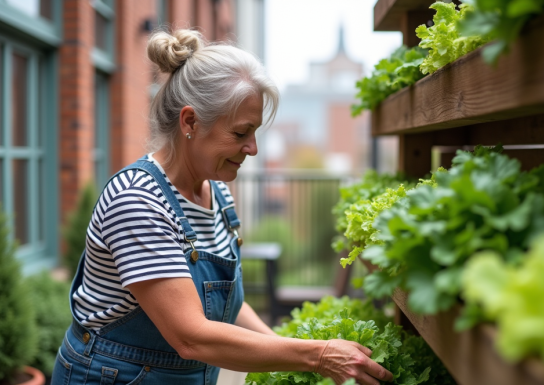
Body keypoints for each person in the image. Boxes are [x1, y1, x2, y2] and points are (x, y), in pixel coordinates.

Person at [51, 29, 394, 385]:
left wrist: (279, 349)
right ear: (190, 122)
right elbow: (191, 336)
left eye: (255, 133)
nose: (253, 149)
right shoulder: (138, 201)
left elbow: (226, 305)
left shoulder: (217, 193)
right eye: (241, 133)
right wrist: (317, 355)